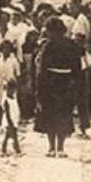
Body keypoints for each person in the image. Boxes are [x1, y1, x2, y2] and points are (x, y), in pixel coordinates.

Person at [35, 17, 81, 156]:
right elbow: (77, 68)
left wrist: (39, 88)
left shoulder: (49, 46)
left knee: (58, 114)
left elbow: (41, 70)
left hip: (54, 83)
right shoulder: (66, 45)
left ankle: (56, 147)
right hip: (62, 82)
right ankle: (55, 147)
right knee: (60, 114)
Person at [0, 38, 24, 156]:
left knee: (13, 107)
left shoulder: (14, 61)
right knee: (4, 108)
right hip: (1, 86)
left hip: (11, 85)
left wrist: (16, 85)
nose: (6, 51)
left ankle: (13, 147)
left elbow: (18, 74)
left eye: (8, 48)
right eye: (4, 48)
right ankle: (12, 147)